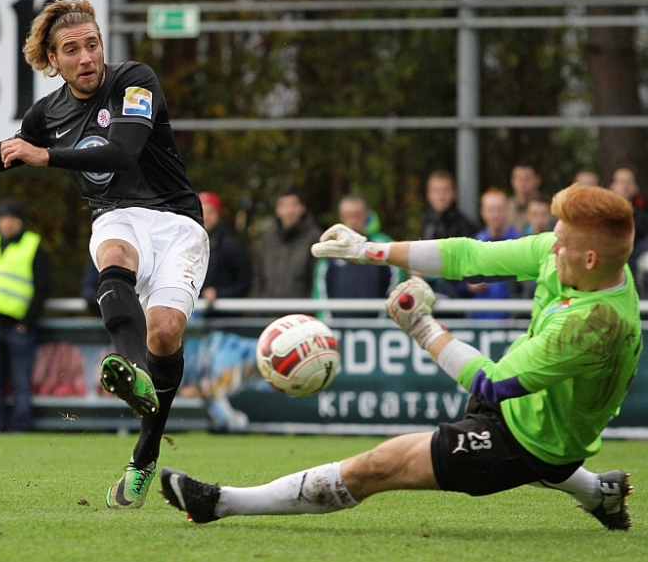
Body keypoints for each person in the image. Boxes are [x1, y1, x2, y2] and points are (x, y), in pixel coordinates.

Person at [161, 183, 637, 532]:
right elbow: (469, 256)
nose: (551, 247)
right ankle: (601, 492)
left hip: (529, 439)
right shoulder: (574, 257)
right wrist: (369, 250)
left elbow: (492, 384)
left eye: (561, 243)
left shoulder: (592, 327)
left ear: (590, 260)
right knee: (545, 457)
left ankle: (221, 502)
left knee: (379, 465)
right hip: (534, 409)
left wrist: (422, 328)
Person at [0, 0, 209, 507]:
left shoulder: (135, 80)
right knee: (114, 254)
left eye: (92, 45)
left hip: (177, 222)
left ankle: (145, 454)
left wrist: (44, 155)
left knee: (166, 332)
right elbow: (6, 152)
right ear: (51, 60)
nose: (86, 57)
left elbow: (124, 151)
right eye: (72, 50)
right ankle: (134, 372)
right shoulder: (48, 112)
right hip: (116, 214)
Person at [0, 198, 49, 433]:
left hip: (19, 324)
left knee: (20, 380)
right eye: (4, 218)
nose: (7, 223)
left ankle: (20, 426)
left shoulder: (32, 244)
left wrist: (27, 321)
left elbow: (41, 287)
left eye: (12, 218)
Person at [312, 194, 402, 319]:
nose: (353, 220)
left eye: (357, 215)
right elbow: (320, 290)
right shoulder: (332, 249)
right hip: (338, 325)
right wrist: (327, 322)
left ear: (366, 215)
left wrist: (384, 321)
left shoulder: (382, 245)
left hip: (377, 326)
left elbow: (397, 283)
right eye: (348, 216)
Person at [252, 187, 322, 298]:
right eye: (284, 206)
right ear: (278, 210)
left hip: (302, 307)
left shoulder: (314, 238)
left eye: (293, 205)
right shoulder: (269, 238)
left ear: (302, 208)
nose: (289, 211)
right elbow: (259, 277)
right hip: (268, 307)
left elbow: (318, 278)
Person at [419, 169, 477, 302]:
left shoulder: (465, 225)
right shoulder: (426, 224)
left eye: (445, 190)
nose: (441, 196)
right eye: (436, 190)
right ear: (428, 195)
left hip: (457, 293)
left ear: (454, 193)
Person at [467, 188, 521, 320]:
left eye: (499, 209)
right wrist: (471, 284)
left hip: (511, 321)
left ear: (507, 210)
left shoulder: (520, 243)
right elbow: (464, 281)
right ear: (483, 212)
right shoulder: (474, 244)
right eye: (491, 210)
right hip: (478, 320)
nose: (495, 215)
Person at [198, 191, 251, 315]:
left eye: (210, 212)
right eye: (201, 212)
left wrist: (218, 294)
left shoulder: (231, 245)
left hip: (225, 317)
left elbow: (244, 282)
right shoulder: (187, 244)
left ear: (217, 214)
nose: (205, 217)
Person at [608, 167, 648, 247]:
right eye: (621, 181)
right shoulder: (602, 211)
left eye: (630, 181)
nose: (625, 186)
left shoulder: (644, 211)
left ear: (636, 187)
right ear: (611, 186)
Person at [508, 163, 542, 234]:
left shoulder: (547, 207)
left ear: (538, 180)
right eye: (519, 178)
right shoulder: (505, 208)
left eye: (527, 178)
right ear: (512, 181)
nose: (523, 183)